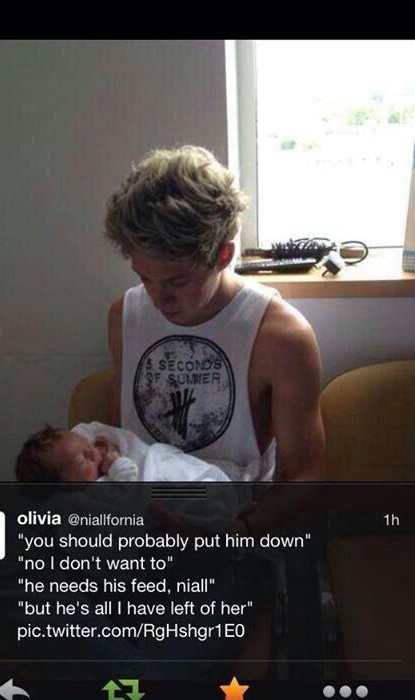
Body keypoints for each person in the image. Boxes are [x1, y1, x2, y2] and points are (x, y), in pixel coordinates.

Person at [104, 145, 325, 534]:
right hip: (135, 521)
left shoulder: (280, 338)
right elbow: (118, 440)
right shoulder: (125, 316)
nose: (158, 300)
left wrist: (234, 534)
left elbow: (305, 476)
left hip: (231, 526)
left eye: (176, 281)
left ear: (223, 254)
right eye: (145, 278)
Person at [15, 421, 260, 530]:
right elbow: (130, 495)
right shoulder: (87, 498)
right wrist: (117, 465)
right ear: (63, 484)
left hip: (160, 469)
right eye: (83, 459)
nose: (94, 453)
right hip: (159, 505)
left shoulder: (84, 457)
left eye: (87, 447)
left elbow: (90, 432)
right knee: (206, 497)